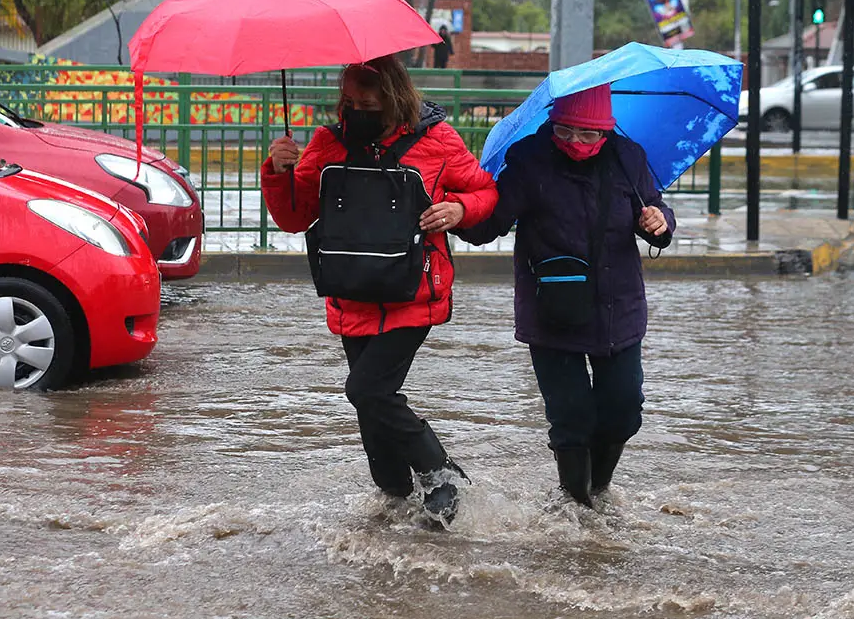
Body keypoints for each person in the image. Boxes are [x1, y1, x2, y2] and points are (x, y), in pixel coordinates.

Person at [261, 55, 497, 524]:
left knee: (367, 390)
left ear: (393, 97)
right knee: (369, 404)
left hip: (413, 293)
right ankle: (394, 497)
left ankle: (440, 471)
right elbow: (292, 217)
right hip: (352, 290)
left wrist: (458, 210)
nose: (355, 111)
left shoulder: (438, 141)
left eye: (366, 102)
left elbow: (486, 192)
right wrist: (277, 169)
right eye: (348, 101)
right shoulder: (326, 143)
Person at [458, 83, 674, 507]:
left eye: (587, 134)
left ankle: (598, 490)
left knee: (624, 410)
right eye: (565, 131)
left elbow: (655, 210)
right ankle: (577, 506)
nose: (575, 142)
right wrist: (461, 211)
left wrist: (659, 222)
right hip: (551, 309)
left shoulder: (629, 160)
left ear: (606, 131)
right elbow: (490, 224)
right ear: (552, 124)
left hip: (619, 307)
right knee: (571, 416)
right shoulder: (529, 161)